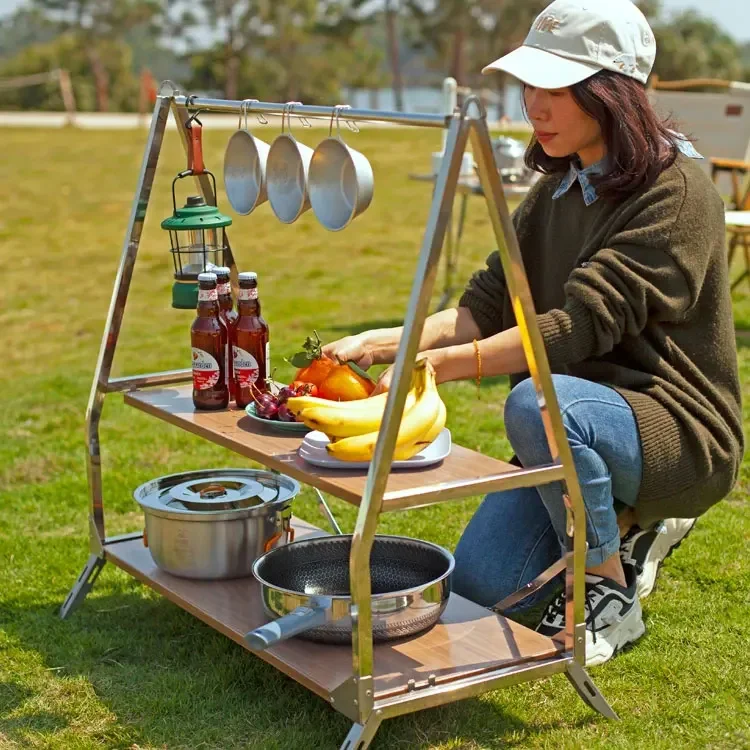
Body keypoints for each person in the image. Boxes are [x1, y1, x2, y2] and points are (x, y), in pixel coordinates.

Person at [322, 0, 743, 665]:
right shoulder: (552, 193)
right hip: (570, 426)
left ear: (609, 94)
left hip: (679, 433)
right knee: (483, 582)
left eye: (554, 88)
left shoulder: (680, 193)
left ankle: (608, 588)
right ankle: (629, 528)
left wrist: (438, 370)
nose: (533, 107)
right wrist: (388, 345)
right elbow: (486, 306)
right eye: (529, 86)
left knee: (538, 399)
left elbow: (575, 328)